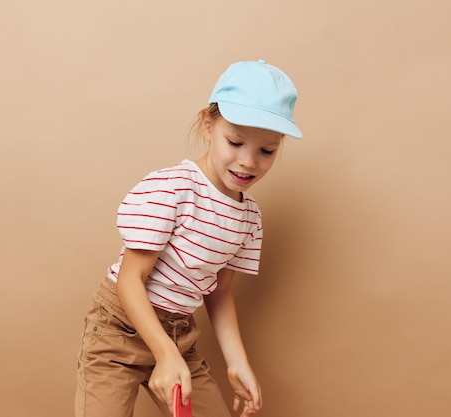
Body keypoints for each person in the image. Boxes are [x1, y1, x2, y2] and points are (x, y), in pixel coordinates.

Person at [75, 59, 302, 417]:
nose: (248, 162)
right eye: (236, 141)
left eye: (266, 151)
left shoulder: (248, 218)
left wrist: (237, 361)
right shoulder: (174, 188)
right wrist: (163, 353)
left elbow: (221, 290)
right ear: (208, 126)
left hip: (181, 336)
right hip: (120, 331)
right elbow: (131, 280)